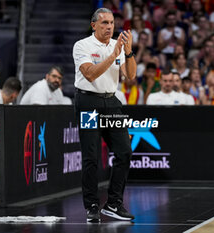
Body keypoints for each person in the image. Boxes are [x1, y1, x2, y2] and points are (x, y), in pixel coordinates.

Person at [72, 8, 136, 222]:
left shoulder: (116, 45)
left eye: (111, 23)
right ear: (94, 25)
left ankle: (114, 203)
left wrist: (128, 52)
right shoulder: (82, 46)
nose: (109, 27)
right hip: (88, 101)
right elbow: (90, 74)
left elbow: (131, 75)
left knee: (124, 151)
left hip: (111, 101)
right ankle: (91, 205)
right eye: (104, 23)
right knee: (91, 156)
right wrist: (113, 54)